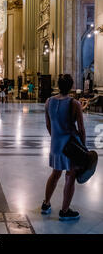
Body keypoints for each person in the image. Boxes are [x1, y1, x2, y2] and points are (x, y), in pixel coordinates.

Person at [41, 74, 86, 221]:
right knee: (70, 175)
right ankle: (65, 211)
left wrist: (56, 137)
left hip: (56, 143)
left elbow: (48, 125)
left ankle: (46, 204)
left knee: (55, 174)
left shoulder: (48, 102)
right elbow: (81, 128)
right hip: (70, 145)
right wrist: (83, 147)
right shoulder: (74, 103)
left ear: (58, 85)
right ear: (71, 86)